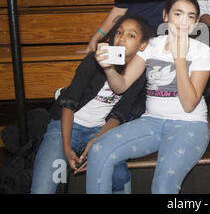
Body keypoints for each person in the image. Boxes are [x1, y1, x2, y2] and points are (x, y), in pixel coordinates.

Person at [86, 0, 210, 194]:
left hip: (189, 124)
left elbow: (189, 104)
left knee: (163, 187)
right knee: (98, 151)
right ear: (165, 16)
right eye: (177, 14)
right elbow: (122, 85)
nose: (183, 21)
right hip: (152, 121)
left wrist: (179, 58)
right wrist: (109, 69)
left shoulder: (201, 50)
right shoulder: (151, 45)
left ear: (196, 22)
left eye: (190, 16)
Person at [30, 15, 155, 194]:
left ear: (142, 45)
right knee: (45, 186)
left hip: (100, 131)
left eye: (131, 35)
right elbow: (69, 103)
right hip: (65, 127)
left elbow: (119, 115)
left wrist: (97, 141)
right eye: (119, 32)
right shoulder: (94, 60)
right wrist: (66, 148)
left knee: (119, 176)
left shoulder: (138, 73)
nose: (122, 38)